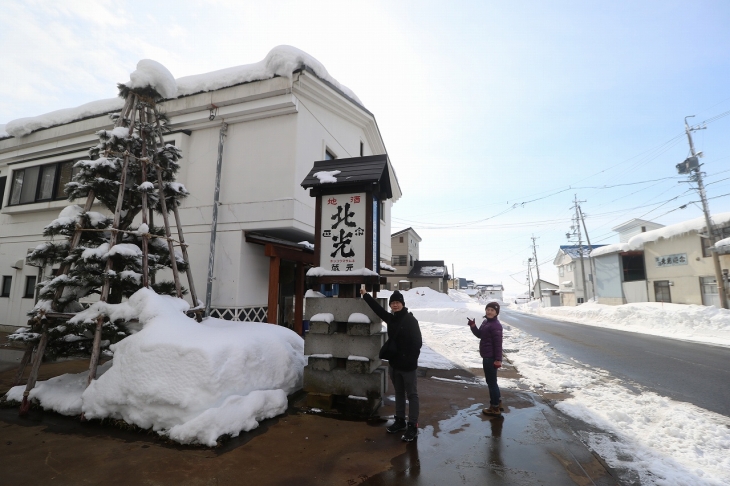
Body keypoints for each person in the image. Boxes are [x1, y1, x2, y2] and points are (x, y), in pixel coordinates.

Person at [360, 288, 422, 441]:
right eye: (393, 303)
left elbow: (417, 342)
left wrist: (410, 360)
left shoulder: (410, 320)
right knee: (399, 393)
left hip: (408, 366)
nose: (395, 305)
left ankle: (412, 425)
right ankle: (400, 421)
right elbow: (378, 310)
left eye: (397, 302)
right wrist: (366, 295)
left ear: (402, 304)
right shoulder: (392, 318)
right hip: (394, 364)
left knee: (412, 395)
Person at [468, 301, 503, 416]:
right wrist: (473, 326)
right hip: (487, 356)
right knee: (492, 382)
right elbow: (480, 335)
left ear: (496, 312)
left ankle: (495, 407)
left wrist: (498, 359)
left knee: (491, 382)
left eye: (492, 310)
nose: (489, 311)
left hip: (491, 357)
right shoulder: (486, 322)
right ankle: (497, 402)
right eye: (488, 309)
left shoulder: (496, 326)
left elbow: (498, 344)